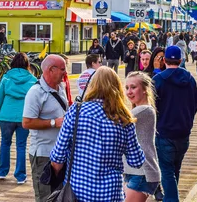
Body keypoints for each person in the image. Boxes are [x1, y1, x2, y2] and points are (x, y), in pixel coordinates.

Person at [49, 67, 145, 201]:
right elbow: (136, 161)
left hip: (78, 192)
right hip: (111, 194)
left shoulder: (76, 111)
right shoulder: (125, 119)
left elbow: (58, 157)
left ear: (92, 86)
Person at [153, 46, 197, 201]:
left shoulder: (158, 80)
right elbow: (195, 104)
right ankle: (170, 197)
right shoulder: (190, 79)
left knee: (166, 171)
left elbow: (152, 107)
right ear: (180, 60)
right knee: (174, 170)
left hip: (164, 132)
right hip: (184, 132)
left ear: (164, 60)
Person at [22, 54, 68, 202]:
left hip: (60, 153)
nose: (65, 73)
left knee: (60, 196)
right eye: (62, 69)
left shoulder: (60, 88)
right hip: (43, 154)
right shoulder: (35, 92)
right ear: (50, 70)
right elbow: (27, 122)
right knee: (45, 197)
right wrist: (54, 123)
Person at [0, 52, 36, 183]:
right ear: (27, 64)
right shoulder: (33, 81)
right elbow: (35, 102)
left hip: (6, 116)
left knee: (5, 143)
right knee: (21, 145)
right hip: (24, 117)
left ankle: (2, 171)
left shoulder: (6, 79)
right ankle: (20, 176)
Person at [124, 71, 160, 201]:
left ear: (145, 90)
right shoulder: (138, 109)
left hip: (142, 172)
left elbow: (115, 121)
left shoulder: (143, 110)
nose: (129, 92)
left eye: (133, 87)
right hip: (133, 171)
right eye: (127, 88)